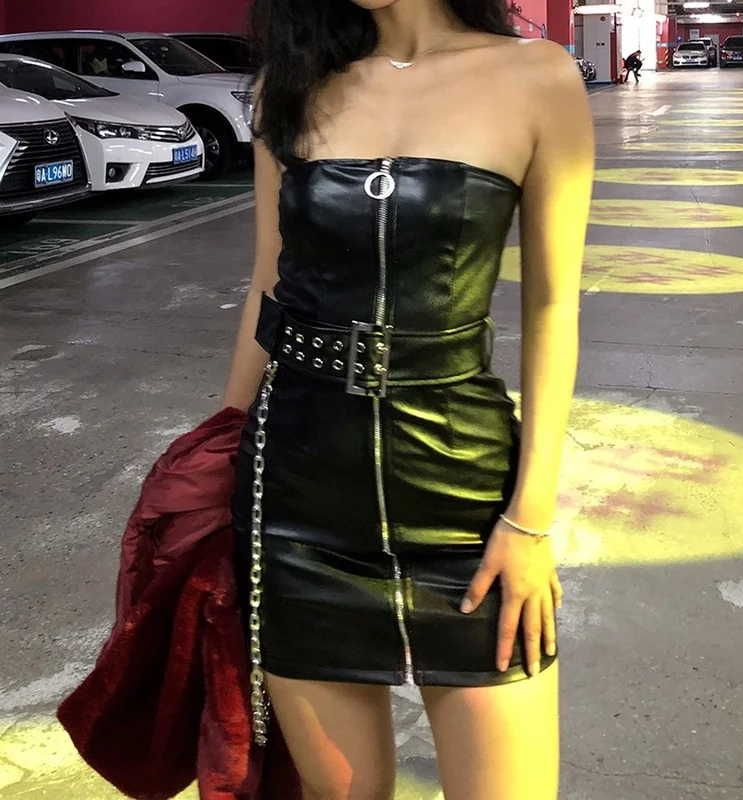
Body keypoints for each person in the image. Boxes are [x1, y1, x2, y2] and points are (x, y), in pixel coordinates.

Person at [225, 1, 594, 798]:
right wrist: (218, 448)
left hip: (464, 498)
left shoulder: (538, 76)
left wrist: (529, 518)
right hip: (296, 501)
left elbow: (552, 307)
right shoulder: (288, 87)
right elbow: (267, 283)